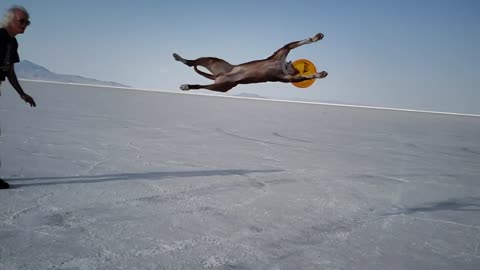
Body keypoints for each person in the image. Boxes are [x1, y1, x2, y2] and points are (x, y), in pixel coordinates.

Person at [0, 5, 36, 189]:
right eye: (21, 21)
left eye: (27, 22)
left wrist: (21, 93)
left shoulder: (12, 43)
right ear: (9, 20)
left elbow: (9, 71)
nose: (25, 25)